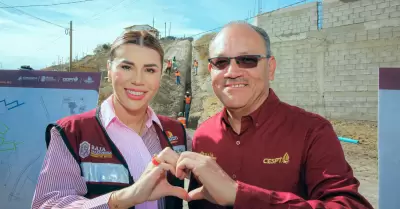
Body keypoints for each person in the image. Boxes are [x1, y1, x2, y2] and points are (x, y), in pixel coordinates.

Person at [176, 21, 374, 208]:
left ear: (270, 68)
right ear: (211, 70)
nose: (232, 71)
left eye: (247, 60)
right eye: (221, 62)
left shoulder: (312, 132)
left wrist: (240, 195)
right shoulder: (203, 136)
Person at [31, 30, 190, 209]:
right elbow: (47, 204)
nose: (138, 80)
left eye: (150, 70)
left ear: (161, 74)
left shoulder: (177, 133)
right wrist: (121, 199)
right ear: (109, 68)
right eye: (126, 67)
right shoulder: (71, 133)